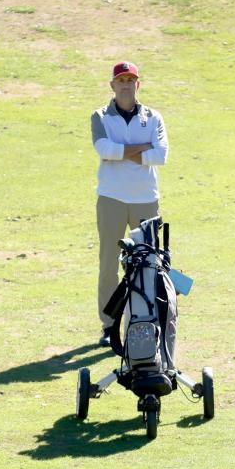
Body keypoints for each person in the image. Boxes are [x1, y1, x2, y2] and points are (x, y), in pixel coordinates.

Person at [90, 61, 169, 346]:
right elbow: (104, 150)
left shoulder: (153, 117)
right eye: (120, 80)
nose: (125, 84)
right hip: (111, 198)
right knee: (109, 265)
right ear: (112, 85)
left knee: (148, 263)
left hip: (146, 199)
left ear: (138, 84)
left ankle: (148, 323)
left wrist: (121, 152)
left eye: (130, 80)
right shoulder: (100, 116)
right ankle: (110, 327)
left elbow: (160, 156)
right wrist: (140, 149)